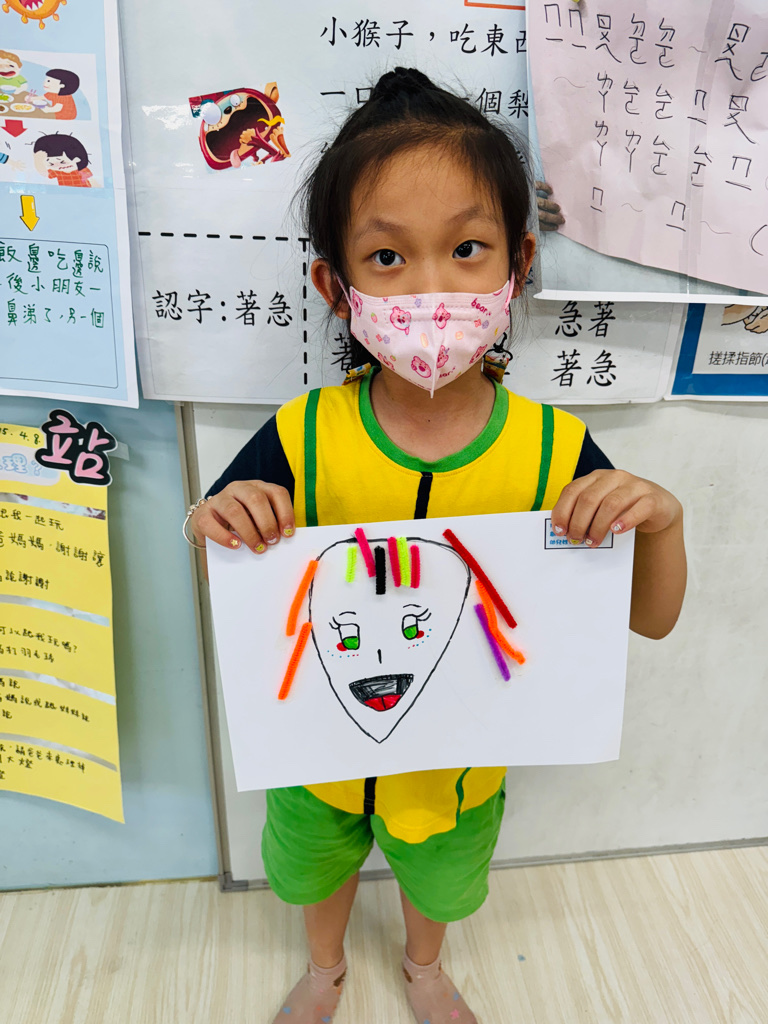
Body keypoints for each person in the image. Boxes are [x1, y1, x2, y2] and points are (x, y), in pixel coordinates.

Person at [185, 68, 687, 1024]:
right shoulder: (302, 434)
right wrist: (208, 518)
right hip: (315, 758)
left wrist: (663, 519)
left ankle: (422, 967)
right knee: (315, 870)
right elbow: (224, 559)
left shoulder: (555, 448)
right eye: (386, 257)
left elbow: (651, 621)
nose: (429, 288)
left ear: (517, 263)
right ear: (335, 286)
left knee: (439, 885)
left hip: (456, 773)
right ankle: (326, 968)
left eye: (466, 249)